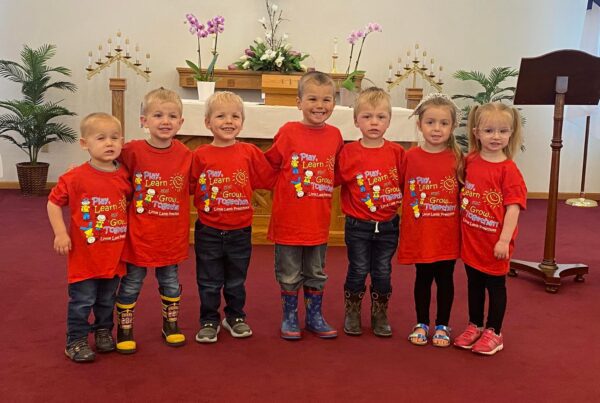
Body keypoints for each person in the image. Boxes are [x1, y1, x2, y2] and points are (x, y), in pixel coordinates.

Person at [190, 92, 275, 343]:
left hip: (240, 230)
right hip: (208, 229)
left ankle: (235, 316)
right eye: (220, 116)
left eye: (235, 116)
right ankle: (209, 319)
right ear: (207, 122)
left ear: (242, 121)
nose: (228, 121)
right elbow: (190, 185)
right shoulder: (200, 154)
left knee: (236, 279)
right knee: (208, 280)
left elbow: (267, 178)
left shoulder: (249, 152)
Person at [265, 71, 344, 340]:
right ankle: (289, 316)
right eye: (312, 99)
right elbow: (271, 165)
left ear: (334, 103)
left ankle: (314, 316)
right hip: (289, 220)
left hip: (318, 221)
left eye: (326, 99)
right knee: (288, 273)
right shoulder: (288, 132)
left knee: (316, 272)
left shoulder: (335, 135)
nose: (319, 105)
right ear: (298, 102)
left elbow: (337, 173)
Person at [47, 113, 131, 362]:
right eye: (101, 138)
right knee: (82, 301)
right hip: (84, 257)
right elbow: (53, 203)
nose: (109, 143)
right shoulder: (75, 177)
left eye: (115, 138)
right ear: (85, 144)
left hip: (113, 256)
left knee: (107, 300)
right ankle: (76, 340)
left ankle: (104, 331)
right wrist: (60, 233)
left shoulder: (124, 175)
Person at [114, 87, 192, 353]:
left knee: (169, 281)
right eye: (158, 115)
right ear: (143, 121)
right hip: (139, 235)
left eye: (172, 116)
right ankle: (124, 328)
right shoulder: (132, 151)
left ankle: (170, 324)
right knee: (132, 281)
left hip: (171, 236)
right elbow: (105, 160)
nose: (165, 121)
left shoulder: (185, 154)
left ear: (181, 122)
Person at [453, 102, 526, 356]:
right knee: (473, 285)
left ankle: (494, 331)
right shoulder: (470, 160)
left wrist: (504, 241)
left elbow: (514, 209)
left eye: (503, 131)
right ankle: (475, 325)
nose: (496, 137)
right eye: (489, 131)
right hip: (472, 240)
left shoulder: (509, 170)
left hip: (495, 243)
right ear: (476, 132)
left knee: (495, 287)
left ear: (511, 133)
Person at [336, 87, 404, 337]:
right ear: (356, 120)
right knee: (357, 268)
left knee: (383, 270)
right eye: (367, 116)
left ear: (389, 120)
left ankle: (380, 312)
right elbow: (332, 179)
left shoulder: (396, 153)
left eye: (380, 117)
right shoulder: (349, 152)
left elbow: (408, 185)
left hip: (388, 225)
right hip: (358, 225)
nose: (374, 122)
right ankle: (352, 311)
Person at [397, 93, 463, 347]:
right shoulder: (409, 157)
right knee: (422, 278)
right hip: (421, 232)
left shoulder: (458, 159)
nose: (437, 129)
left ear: (453, 126)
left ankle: (443, 325)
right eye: (431, 122)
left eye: (444, 123)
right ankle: (422, 322)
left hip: (446, 233)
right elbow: (400, 186)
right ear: (419, 124)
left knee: (445, 279)